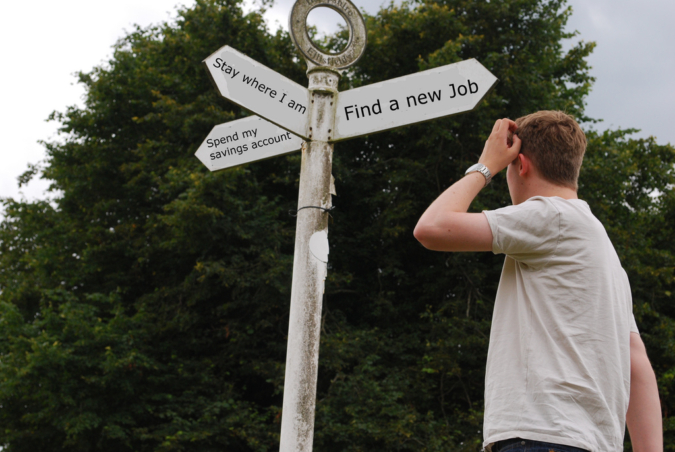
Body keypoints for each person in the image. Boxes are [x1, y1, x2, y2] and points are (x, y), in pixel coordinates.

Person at [413, 111, 662, 452]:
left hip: (541, 435)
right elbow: (636, 361)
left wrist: (486, 165)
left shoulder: (551, 215)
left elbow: (431, 228)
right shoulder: (605, 254)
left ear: (522, 165)